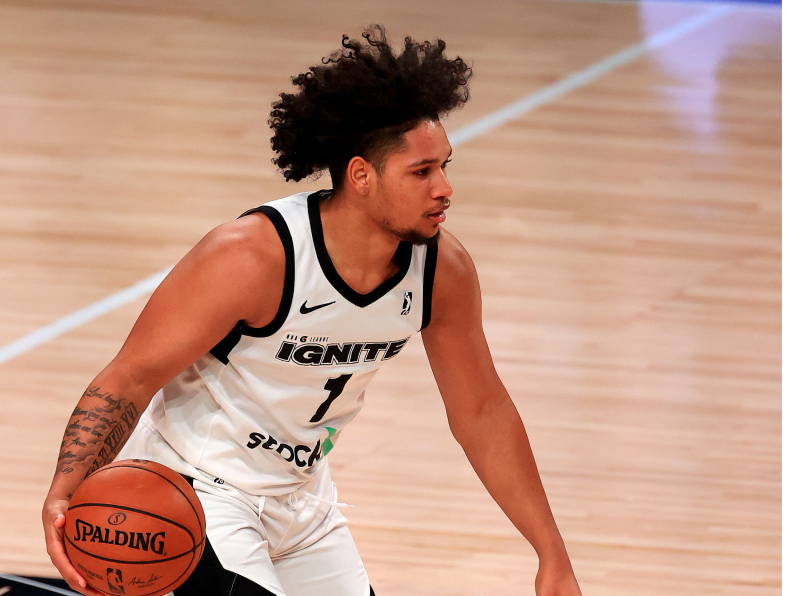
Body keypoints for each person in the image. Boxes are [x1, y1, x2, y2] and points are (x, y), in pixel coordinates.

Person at [42, 26, 583, 596]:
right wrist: (63, 490)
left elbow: (482, 412)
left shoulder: (443, 273)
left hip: (302, 499)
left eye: (446, 165)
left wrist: (551, 553)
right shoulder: (252, 256)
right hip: (198, 492)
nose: (444, 188)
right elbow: (131, 376)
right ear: (361, 176)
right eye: (422, 172)